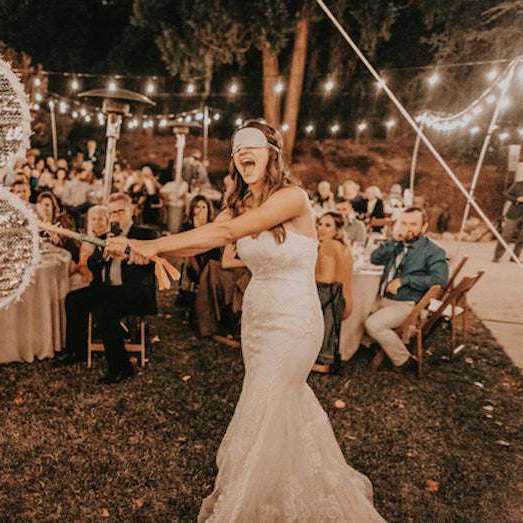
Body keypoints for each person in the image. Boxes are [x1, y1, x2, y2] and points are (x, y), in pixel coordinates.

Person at [106, 120, 385, 521]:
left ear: (273, 152)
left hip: (294, 319)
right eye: (236, 149)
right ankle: (282, 490)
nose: (242, 153)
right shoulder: (236, 203)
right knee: (272, 403)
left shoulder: (292, 197)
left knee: (270, 399)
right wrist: (144, 248)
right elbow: (208, 235)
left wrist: (149, 245)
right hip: (258, 318)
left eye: (251, 145)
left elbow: (233, 233)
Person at [56, 193, 157, 385]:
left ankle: (121, 367)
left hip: (133, 291)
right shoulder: (107, 236)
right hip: (107, 288)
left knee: (105, 313)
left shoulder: (145, 235)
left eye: (120, 211)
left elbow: (149, 268)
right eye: (112, 212)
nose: (116, 216)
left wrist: (127, 252)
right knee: (73, 300)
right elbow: (93, 265)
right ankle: (76, 351)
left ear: (131, 211)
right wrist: (103, 252)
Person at [365, 207, 448, 371]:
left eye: (413, 224)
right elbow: (374, 259)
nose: (407, 228)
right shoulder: (397, 243)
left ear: (424, 227)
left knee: (372, 324)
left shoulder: (434, 250)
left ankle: (404, 360)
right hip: (385, 298)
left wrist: (405, 280)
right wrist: (393, 240)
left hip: (408, 302)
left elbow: (440, 280)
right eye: (404, 223)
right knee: (356, 312)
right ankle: (374, 345)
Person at [314, 212, 355, 371]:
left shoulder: (328, 245)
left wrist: (305, 274)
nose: (322, 229)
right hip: (345, 302)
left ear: (338, 229)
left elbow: (327, 278)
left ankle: (320, 362)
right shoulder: (346, 245)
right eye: (320, 224)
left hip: (333, 302)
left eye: (328, 225)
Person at [492, 175, 523, 262]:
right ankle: (497, 256)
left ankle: (515, 257)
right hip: (513, 214)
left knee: (521, 238)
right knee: (506, 235)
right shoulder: (518, 185)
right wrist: (517, 199)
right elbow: (506, 195)